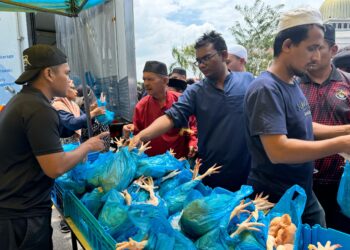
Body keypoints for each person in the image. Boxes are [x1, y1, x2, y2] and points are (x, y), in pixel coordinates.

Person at [244, 7, 350, 227]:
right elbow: (278, 150)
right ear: (288, 45)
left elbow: (303, 126)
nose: (317, 57)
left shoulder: (292, 83)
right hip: (276, 201)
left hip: (301, 192)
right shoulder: (266, 88)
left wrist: (346, 130)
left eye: (320, 49)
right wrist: (341, 143)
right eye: (311, 48)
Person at [0, 44, 108, 249]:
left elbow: (60, 128)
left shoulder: (23, 102)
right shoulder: (39, 109)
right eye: (66, 73)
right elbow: (55, 167)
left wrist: (91, 117)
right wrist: (87, 146)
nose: (69, 79)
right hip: (21, 217)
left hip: (14, 210)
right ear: (49, 73)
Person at [129, 31, 255, 191]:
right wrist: (141, 136)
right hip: (211, 173)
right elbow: (170, 117)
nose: (202, 65)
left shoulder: (248, 81)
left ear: (224, 55)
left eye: (206, 58)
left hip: (246, 172)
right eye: (198, 61)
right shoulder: (195, 92)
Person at [299, 24, 350, 232]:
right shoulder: (292, 86)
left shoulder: (347, 84)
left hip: (341, 185)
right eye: (306, 48)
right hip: (302, 183)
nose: (310, 55)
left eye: (317, 47)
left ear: (334, 50)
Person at [123, 61, 193, 158]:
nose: (146, 84)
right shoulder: (141, 106)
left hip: (179, 162)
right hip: (152, 165)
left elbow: (192, 126)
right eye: (144, 79)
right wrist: (128, 133)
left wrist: (192, 142)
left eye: (150, 79)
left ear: (165, 80)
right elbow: (137, 136)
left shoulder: (180, 100)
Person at [52, 80, 105, 145]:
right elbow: (72, 123)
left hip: (76, 143)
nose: (76, 92)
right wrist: (93, 113)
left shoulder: (74, 105)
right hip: (64, 146)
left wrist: (91, 111)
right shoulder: (58, 105)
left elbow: (86, 123)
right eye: (73, 88)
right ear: (64, 90)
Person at [76, 85, 111, 152]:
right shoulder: (80, 108)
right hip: (91, 143)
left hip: (99, 142)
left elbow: (92, 127)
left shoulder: (97, 105)